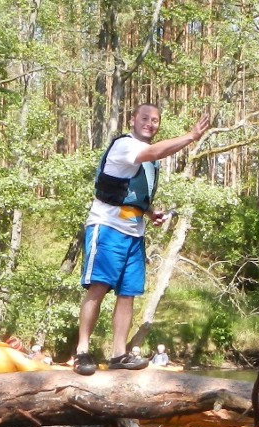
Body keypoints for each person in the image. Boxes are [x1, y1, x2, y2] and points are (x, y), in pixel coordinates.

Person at [72, 104, 210, 375]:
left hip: (134, 231)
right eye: (144, 118)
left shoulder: (148, 159)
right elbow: (154, 150)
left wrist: (150, 212)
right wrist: (191, 136)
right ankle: (82, 352)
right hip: (108, 226)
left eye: (155, 120)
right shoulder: (125, 145)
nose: (149, 123)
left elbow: (129, 193)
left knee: (128, 294)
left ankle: (119, 354)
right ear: (133, 119)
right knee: (98, 288)